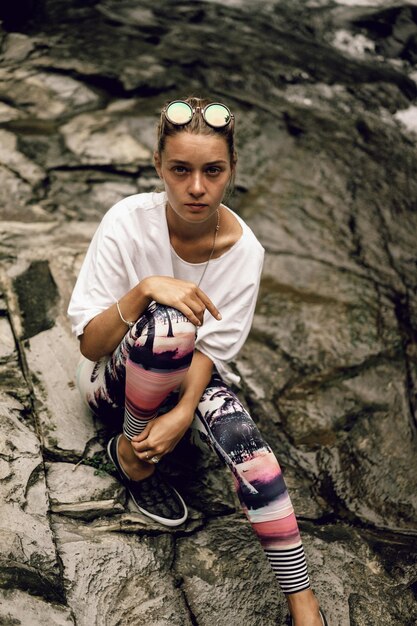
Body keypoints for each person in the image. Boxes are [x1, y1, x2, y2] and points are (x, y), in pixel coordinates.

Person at [67, 97, 328, 626]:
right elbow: (91, 345)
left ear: (231, 170)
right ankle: (133, 451)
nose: (196, 188)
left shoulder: (245, 252)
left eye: (213, 171)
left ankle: (304, 604)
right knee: (170, 323)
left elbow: (211, 351)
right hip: (109, 380)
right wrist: (143, 291)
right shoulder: (126, 221)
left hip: (185, 378)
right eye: (180, 170)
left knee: (248, 448)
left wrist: (185, 412)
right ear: (159, 166)